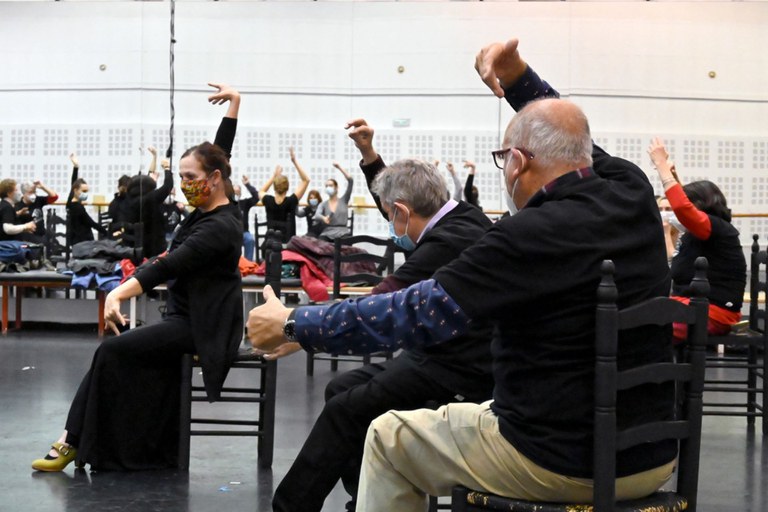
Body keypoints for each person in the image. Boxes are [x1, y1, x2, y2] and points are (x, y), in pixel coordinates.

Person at [247, 36, 675, 511]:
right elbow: (572, 142)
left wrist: (294, 322)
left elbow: (411, 310)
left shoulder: (526, 235)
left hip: (559, 461)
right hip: (652, 456)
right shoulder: (631, 187)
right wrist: (518, 77)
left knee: (385, 437)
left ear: (516, 162)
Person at [267, 119, 494, 512]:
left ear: (401, 211)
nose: (391, 226)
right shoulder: (462, 216)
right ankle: (367, 498)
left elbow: (378, 303)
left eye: (391, 216)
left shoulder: (443, 244)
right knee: (340, 390)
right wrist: (370, 156)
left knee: (344, 410)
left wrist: (300, 329)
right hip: (443, 353)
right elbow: (401, 207)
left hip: (457, 370)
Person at [31, 88, 244, 473]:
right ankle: (105, 443)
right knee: (118, 351)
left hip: (204, 326)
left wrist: (117, 293)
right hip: (184, 318)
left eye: (190, 177)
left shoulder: (219, 226)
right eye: (181, 176)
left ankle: (70, 442)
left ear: (214, 179)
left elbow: (167, 265)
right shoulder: (208, 205)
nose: (184, 183)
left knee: (110, 350)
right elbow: (221, 152)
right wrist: (234, 105)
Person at [648, 137, 746, 340]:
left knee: (643, 327)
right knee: (639, 316)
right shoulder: (708, 228)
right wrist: (673, 175)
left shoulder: (715, 228)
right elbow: (687, 205)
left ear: (701, 205)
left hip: (713, 312)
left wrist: (662, 167)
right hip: (693, 305)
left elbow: (684, 208)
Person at [125, 145, 173, 258]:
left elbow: (149, 175)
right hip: (154, 245)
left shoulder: (133, 198)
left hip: (139, 243)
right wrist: (167, 168)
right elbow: (168, 186)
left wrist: (154, 157)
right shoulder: (149, 199)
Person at [259, 148, 310, 242]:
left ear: (274, 187)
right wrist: (294, 161)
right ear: (287, 187)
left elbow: (261, 191)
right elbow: (306, 180)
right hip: (288, 244)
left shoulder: (268, 200)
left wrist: (274, 176)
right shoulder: (292, 200)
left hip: (270, 243)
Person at [65, 154, 109, 246]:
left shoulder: (70, 203)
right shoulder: (78, 208)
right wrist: (107, 232)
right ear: (76, 190)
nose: (85, 194)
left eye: (86, 191)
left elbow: (73, 183)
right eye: (84, 191)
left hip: (75, 240)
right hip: (83, 242)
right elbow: (91, 223)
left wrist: (76, 167)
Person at [314, 162, 353, 241]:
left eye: (331, 185)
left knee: (345, 244)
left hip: (343, 232)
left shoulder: (344, 200)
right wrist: (323, 218)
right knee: (320, 243)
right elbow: (317, 215)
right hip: (327, 232)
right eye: (326, 186)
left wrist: (339, 167)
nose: (328, 187)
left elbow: (350, 181)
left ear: (336, 187)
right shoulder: (323, 204)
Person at [235, 175, 260, 260]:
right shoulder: (227, 204)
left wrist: (247, 184)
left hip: (244, 232)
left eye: (238, 192)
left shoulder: (244, 203)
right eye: (234, 193)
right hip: (231, 232)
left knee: (250, 240)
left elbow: (256, 197)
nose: (236, 195)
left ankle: (248, 264)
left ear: (240, 193)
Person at [656, 195, 680, 264]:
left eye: (668, 209)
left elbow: (672, 259)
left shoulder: (682, 233)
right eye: (660, 209)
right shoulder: (654, 233)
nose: (663, 213)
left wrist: (667, 231)